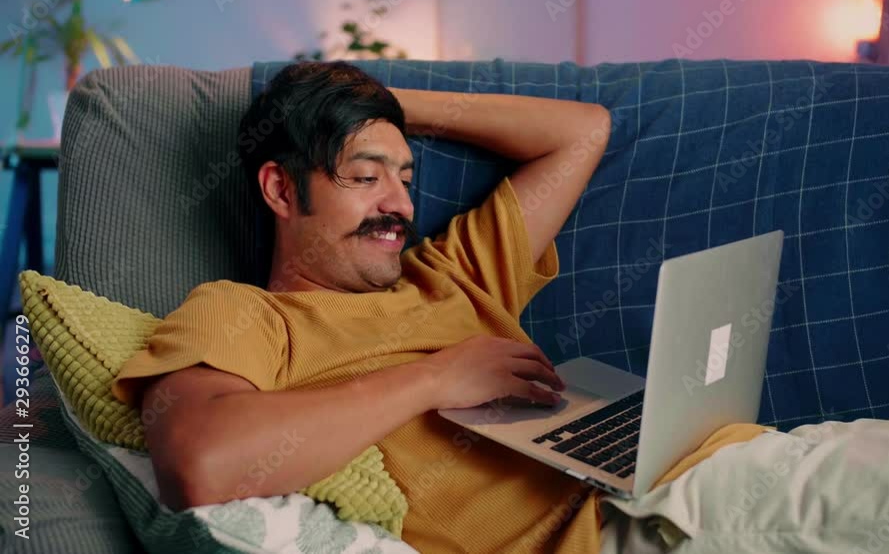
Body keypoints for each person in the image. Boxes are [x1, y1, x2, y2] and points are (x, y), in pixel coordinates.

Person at [112, 60, 626, 553]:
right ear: (281, 189)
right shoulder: (246, 314)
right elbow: (202, 464)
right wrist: (437, 378)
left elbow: (582, 131)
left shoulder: (451, 274)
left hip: (642, 487)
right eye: (365, 177)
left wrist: (374, 105)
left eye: (405, 180)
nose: (401, 205)